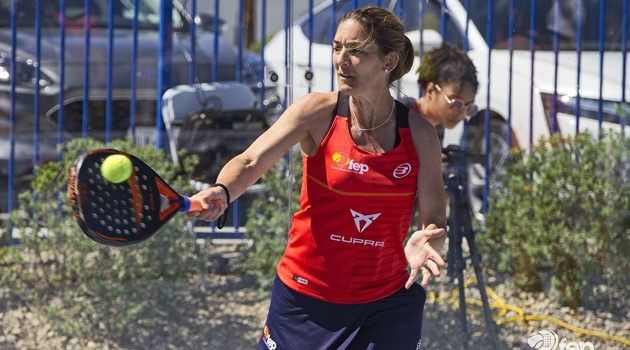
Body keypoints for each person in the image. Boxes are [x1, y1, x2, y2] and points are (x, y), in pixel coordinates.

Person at [187, 6, 446, 349]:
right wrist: (222, 190)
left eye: (355, 51)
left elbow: (434, 222)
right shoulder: (316, 112)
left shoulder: (420, 135)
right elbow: (249, 161)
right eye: (337, 47)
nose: (341, 60)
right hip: (307, 298)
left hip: (388, 301)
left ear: (388, 61)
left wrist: (426, 245)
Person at [402, 42, 479, 130]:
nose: (460, 113)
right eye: (456, 103)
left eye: (469, 107)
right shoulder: (401, 118)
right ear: (431, 91)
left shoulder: (436, 128)